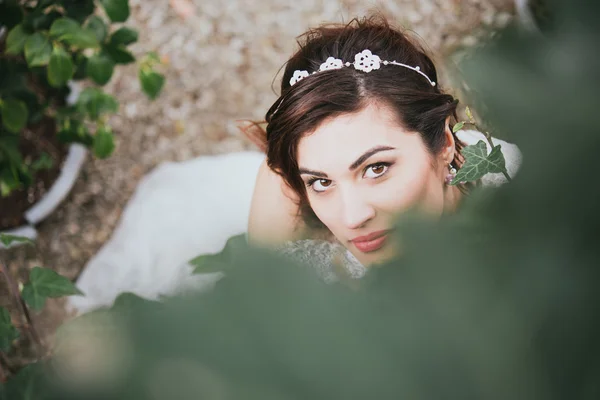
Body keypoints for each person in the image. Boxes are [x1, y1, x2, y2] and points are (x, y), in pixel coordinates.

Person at [67, 16, 521, 314]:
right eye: (321, 180)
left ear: (444, 142)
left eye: (376, 168)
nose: (351, 217)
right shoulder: (288, 219)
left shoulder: (516, 192)